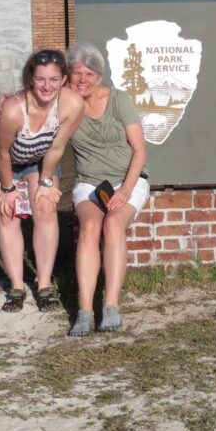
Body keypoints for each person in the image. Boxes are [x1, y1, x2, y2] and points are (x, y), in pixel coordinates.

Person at [0, 49, 84, 312]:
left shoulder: (72, 104)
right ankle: (16, 288)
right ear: (30, 79)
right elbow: (2, 153)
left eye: (54, 79)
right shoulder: (13, 111)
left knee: (45, 208)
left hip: (41, 156)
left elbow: (57, 148)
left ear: (63, 80)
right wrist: (8, 188)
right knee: (8, 212)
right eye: (40, 79)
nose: (47, 86)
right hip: (3, 157)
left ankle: (44, 286)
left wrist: (46, 183)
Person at [66, 41, 150, 336]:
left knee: (113, 224)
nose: (83, 80)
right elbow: (34, 98)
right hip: (89, 182)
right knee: (90, 226)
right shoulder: (66, 105)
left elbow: (139, 150)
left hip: (127, 179)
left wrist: (125, 190)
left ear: (99, 77)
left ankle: (111, 305)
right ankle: (85, 311)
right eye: (77, 73)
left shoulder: (119, 100)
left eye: (89, 74)